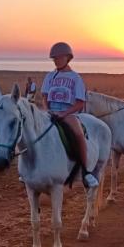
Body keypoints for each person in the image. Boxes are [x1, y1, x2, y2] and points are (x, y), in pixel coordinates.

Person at [41, 42, 99, 188]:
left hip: (68, 113)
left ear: (68, 58)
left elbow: (80, 103)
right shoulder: (49, 76)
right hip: (51, 111)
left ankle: (86, 171)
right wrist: (47, 110)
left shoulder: (75, 78)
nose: (56, 60)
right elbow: (44, 97)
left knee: (79, 134)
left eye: (59, 57)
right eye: (54, 58)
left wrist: (65, 113)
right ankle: (31, 170)